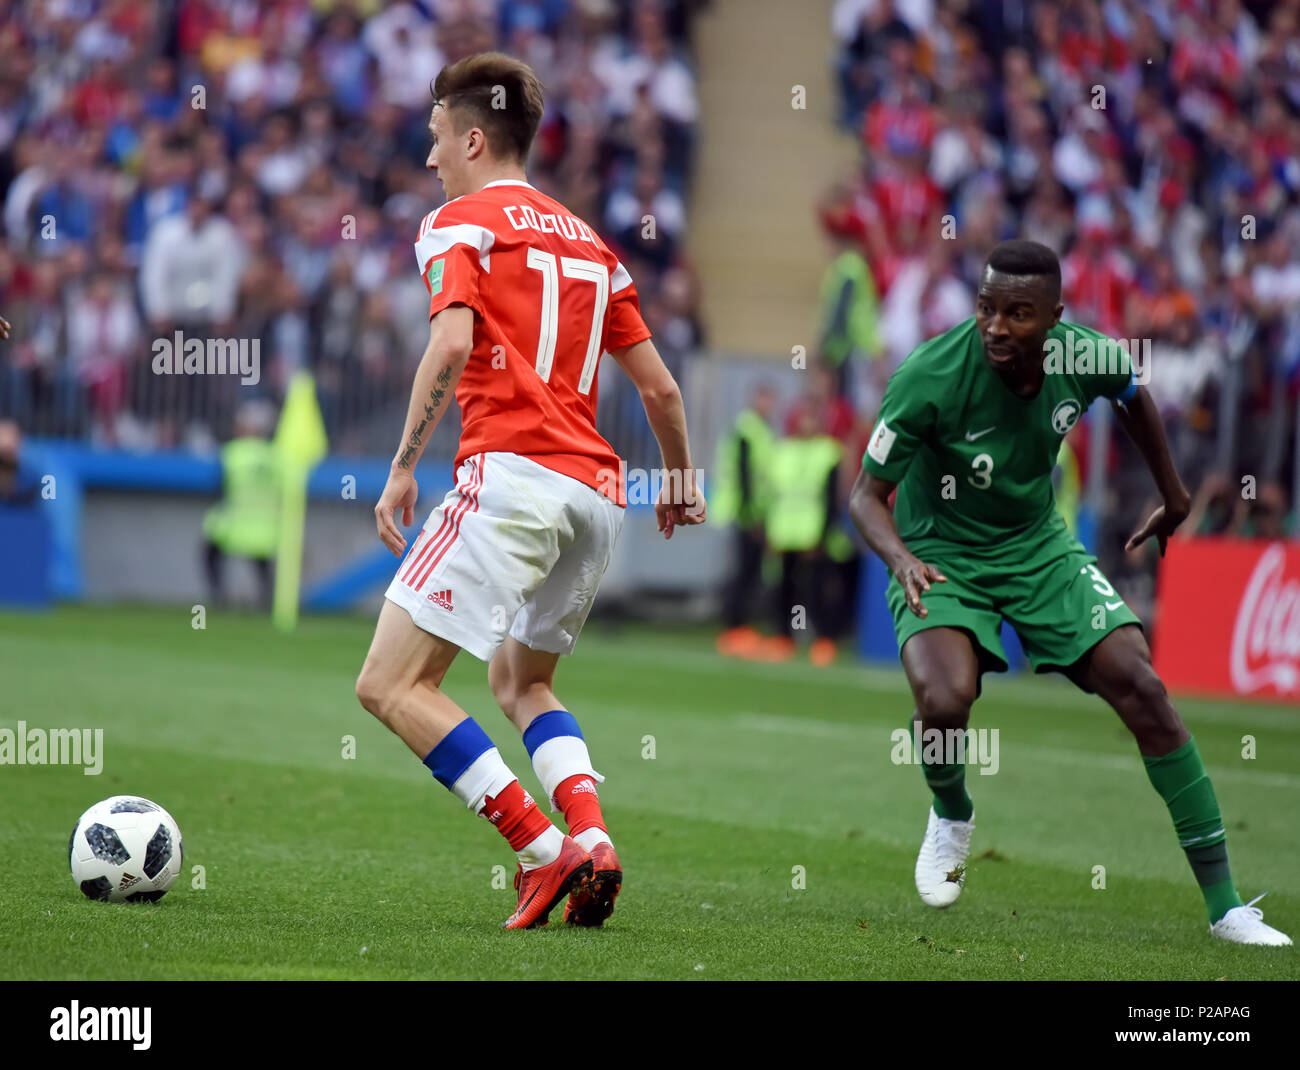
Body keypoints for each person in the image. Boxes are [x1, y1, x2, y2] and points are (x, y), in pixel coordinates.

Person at [849, 238, 1289, 946]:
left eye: (1018, 313)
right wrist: (899, 558)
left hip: (1037, 547)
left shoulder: (1086, 356)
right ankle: (951, 812)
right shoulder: (929, 373)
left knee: (1143, 688)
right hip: (940, 555)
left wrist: (1174, 494)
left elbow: (1132, 397)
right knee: (944, 700)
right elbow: (865, 497)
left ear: (1055, 318)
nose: (996, 326)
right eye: (987, 307)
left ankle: (1226, 906)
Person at [355, 53, 703, 931]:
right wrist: (679, 478)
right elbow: (661, 390)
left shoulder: (457, 223)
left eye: (437, 137)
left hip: (512, 478)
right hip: (596, 498)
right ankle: (594, 836)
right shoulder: (592, 243)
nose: (431, 156)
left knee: (391, 685)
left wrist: (402, 465)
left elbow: (450, 344)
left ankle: (544, 851)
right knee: (521, 681)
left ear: (474, 139)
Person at [712, 384, 775, 657]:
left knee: (750, 572)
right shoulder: (747, 430)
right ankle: (733, 627)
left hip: (753, 512)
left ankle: (740, 627)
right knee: (743, 571)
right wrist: (750, 516)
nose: (768, 405)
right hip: (742, 512)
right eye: (764, 398)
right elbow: (744, 475)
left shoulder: (760, 431)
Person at [201, 401, 281, 610]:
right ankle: (267, 601)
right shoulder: (275, 456)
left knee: (211, 553)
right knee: (261, 564)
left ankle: (218, 596)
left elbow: (219, 489)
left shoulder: (232, 453)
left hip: (233, 523)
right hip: (265, 527)